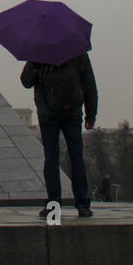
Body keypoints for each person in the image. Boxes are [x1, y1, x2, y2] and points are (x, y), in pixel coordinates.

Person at [21, 54, 98, 219]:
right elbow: (89, 84)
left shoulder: (39, 51)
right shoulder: (78, 51)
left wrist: (36, 75)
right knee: (76, 157)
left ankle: (53, 205)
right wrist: (90, 115)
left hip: (48, 113)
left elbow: (25, 81)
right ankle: (82, 204)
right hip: (72, 112)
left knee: (51, 159)